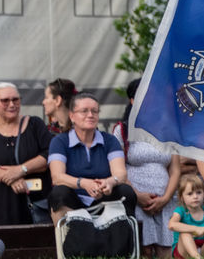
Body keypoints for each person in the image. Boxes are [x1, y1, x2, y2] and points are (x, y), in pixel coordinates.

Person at [46, 93, 137, 223]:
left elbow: (121, 174)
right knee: (59, 192)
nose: (90, 115)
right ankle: (69, 239)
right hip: (74, 200)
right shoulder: (60, 141)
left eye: (94, 111)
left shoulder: (110, 140)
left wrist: (109, 182)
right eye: (84, 111)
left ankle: (122, 239)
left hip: (104, 199)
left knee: (125, 190)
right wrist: (83, 183)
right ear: (72, 116)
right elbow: (57, 177)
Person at [114, 79, 180, 259]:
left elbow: (175, 170)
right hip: (137, 201)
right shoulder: (123, 131)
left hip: (166, 201)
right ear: (132, 101)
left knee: (167, 253)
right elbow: (118, 169)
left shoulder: (167, 129)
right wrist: (137, 196)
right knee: (143, 253)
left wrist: (165, 198)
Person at [0, 82, 51, 226]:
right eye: (5, 100)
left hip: (35, 203)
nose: (12, 104)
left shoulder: (35, 124)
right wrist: (8, 177)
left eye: (16, 99)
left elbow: (48, 154)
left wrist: (21, 169)